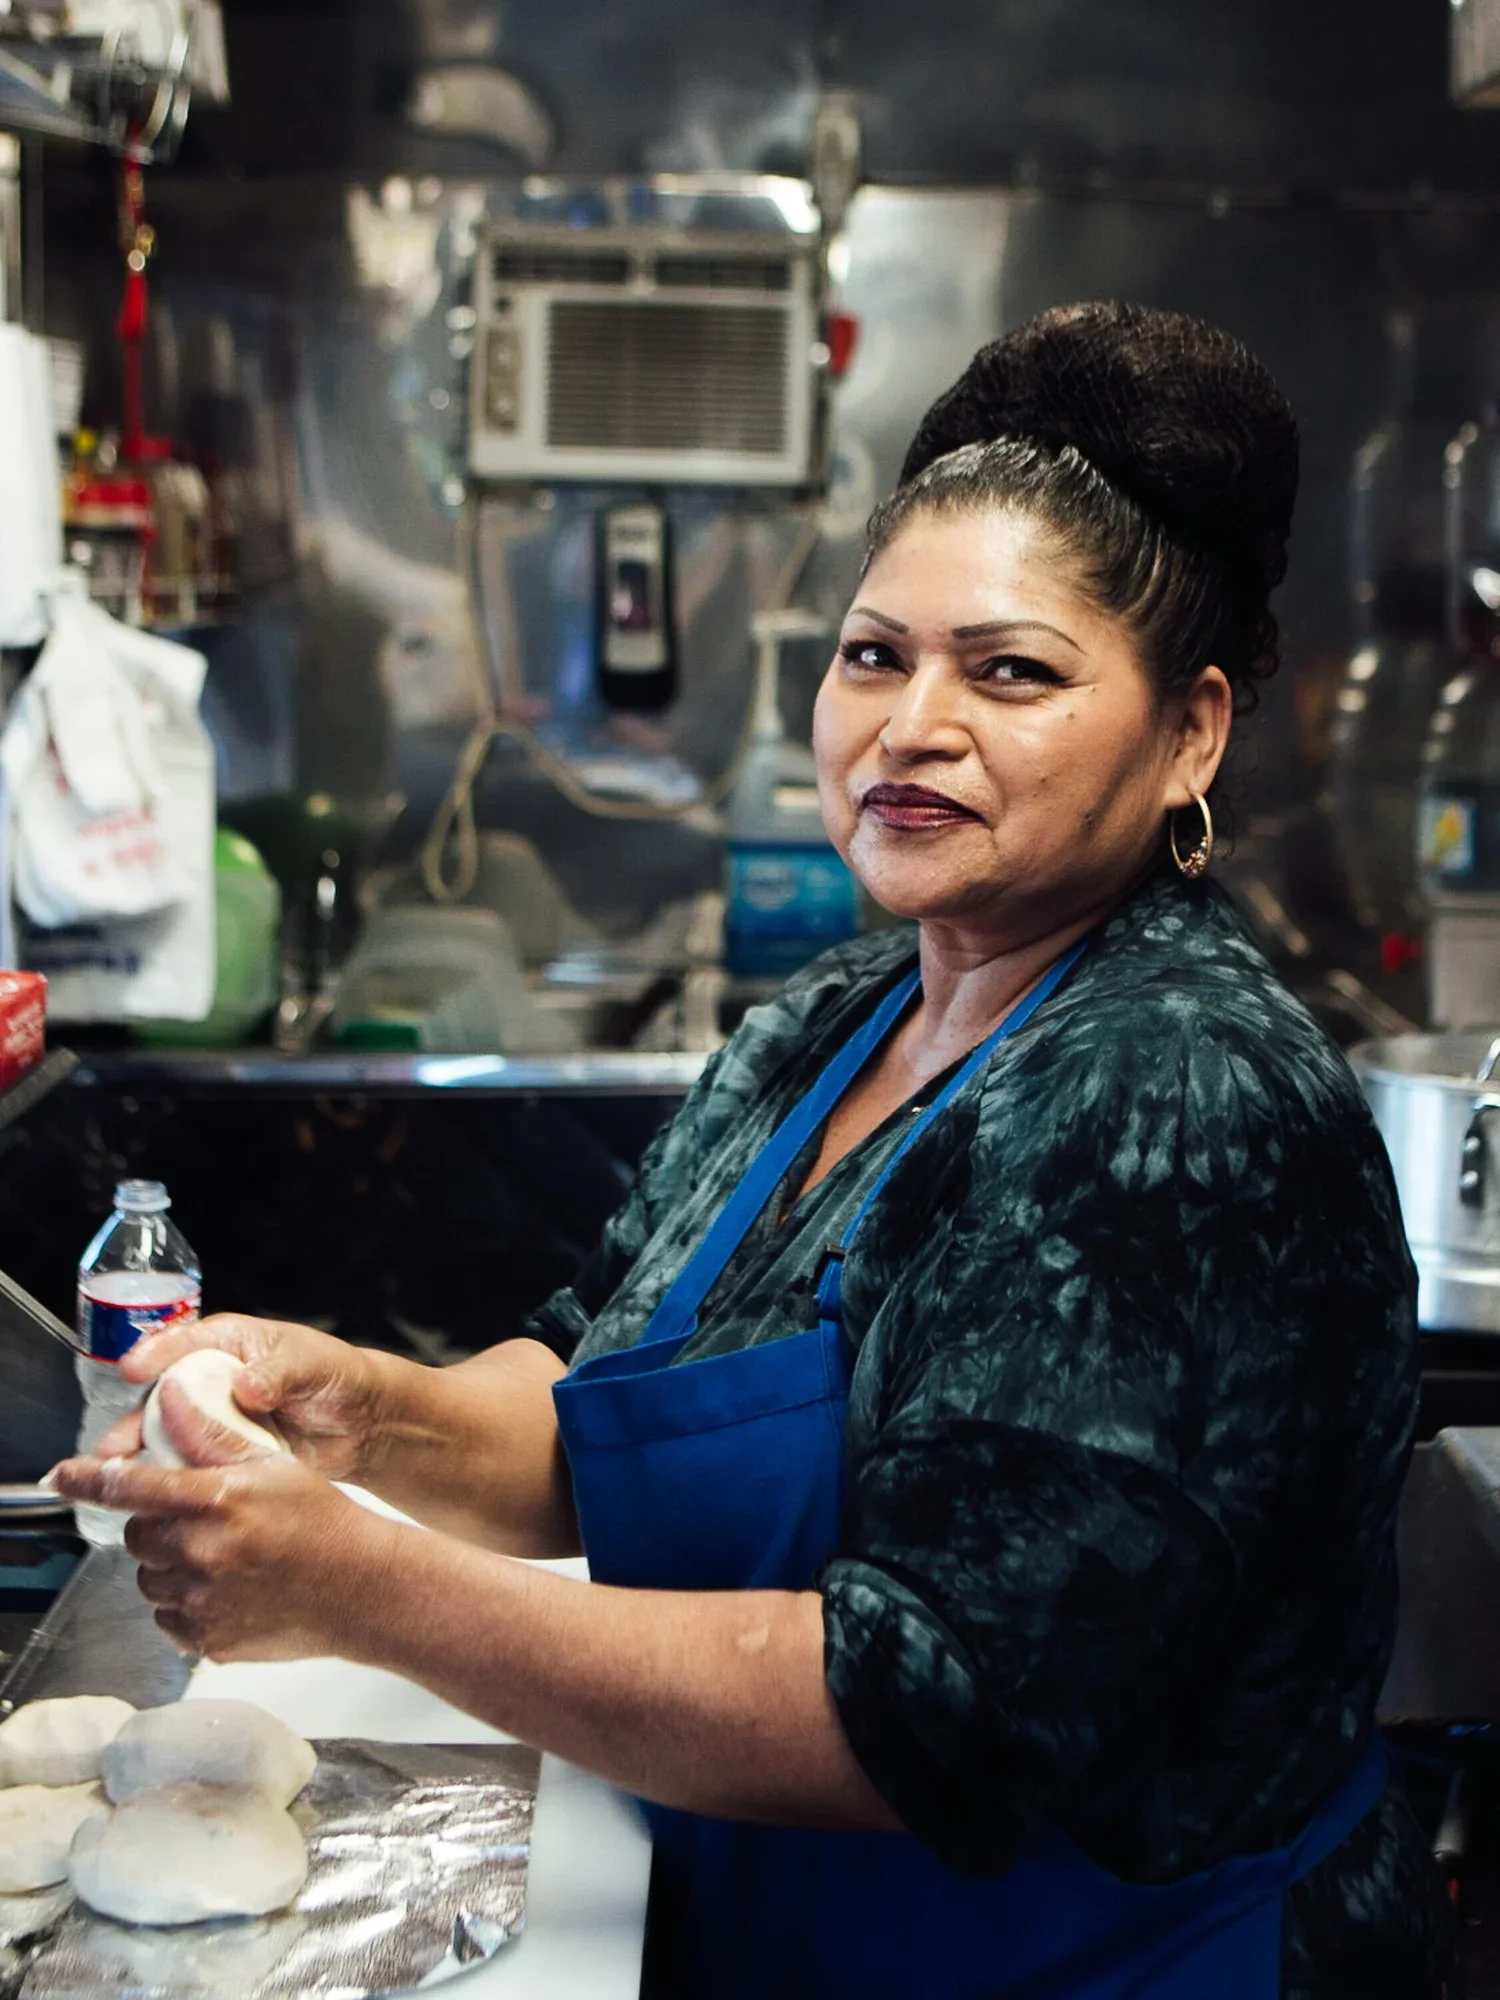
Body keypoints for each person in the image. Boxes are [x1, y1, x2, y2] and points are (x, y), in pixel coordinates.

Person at [57, 302, 1449, 2000]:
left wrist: (366, 1588)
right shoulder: (841, 1017)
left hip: (1105, 1967)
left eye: (1011, 671)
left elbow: (936, 1716)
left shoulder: (1182, 1095)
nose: (911, 724)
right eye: (875, 655)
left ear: (1191, 736)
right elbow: (597, 1368)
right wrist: (368, 1411)